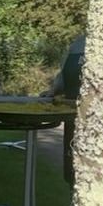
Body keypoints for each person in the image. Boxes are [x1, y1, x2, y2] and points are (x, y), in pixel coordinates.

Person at [42, 35, 85, 184]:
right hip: (72, 120)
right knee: (72, 171)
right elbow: (64, 76)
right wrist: (53, 90)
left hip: (98, 125)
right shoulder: (78, 44)